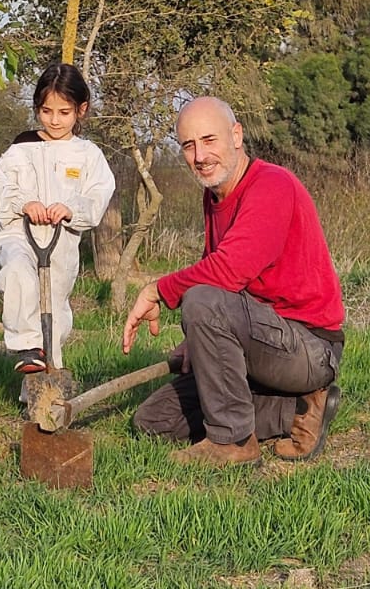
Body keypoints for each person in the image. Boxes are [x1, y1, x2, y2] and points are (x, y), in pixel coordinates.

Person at [123, 96, 344, 468]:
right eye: (188, 145)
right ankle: (296, 412)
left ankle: (234, 441)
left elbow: (226, 273)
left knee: (201, 300)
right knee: (154, 422)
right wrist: (197, 341)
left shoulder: (272, 185)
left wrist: (157, 290)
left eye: (210, 140)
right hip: (262, 342)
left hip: (309, 349)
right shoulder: (214, 197)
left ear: (237, 135)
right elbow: (226, 288)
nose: (200, 155)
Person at [0, 63, 116, 373]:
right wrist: (23, 203)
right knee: (18, 272)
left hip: (59, 245)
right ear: (37, 108)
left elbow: (98, 196)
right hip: (19, 236)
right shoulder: (21, 148)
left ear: (81, 110)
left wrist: (70, 209)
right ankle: (26, 345)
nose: (54, 120)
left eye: (64, 112)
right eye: (46, 111)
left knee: (53, 313)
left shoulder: (88, 155)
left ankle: (44, 391)